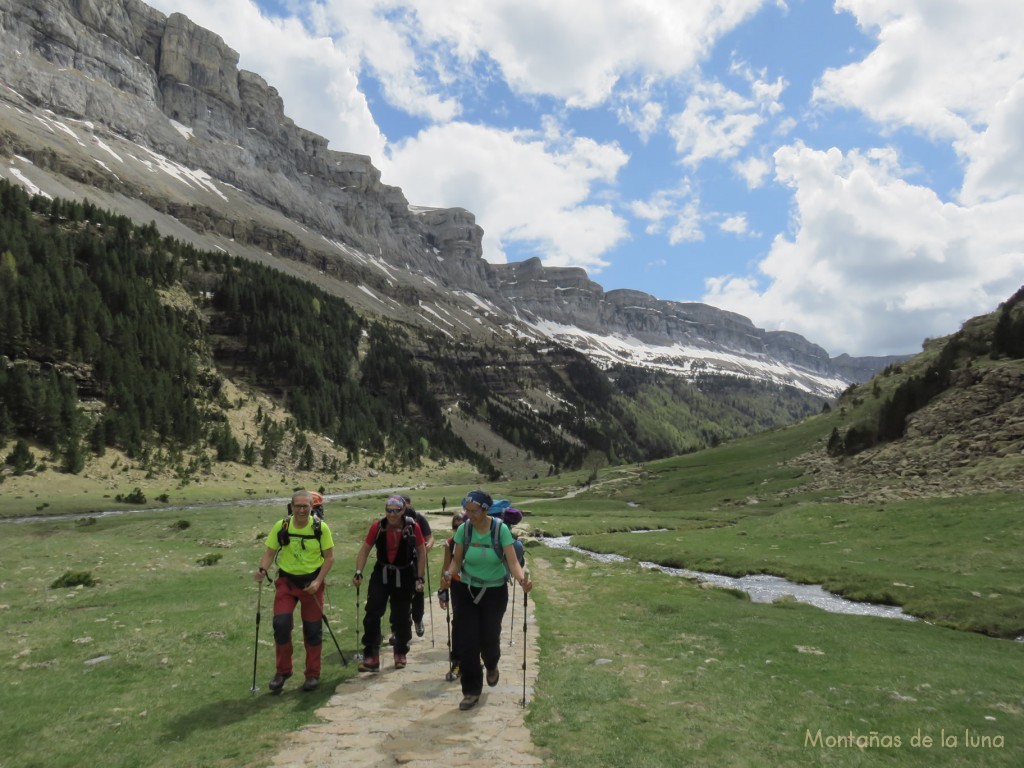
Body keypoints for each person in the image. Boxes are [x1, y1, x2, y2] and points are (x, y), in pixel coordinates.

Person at [439, 490, 532, 711]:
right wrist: (449, 574)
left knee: (489, 637)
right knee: (467, 641)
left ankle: (491, 664)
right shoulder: (464, 530)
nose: (468, 515)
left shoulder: (500, 530)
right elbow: (457, 560)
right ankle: (471, 691)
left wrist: (521, 580)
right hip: (467, 589)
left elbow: (512, 562)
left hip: (494, 591)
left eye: (473, 511)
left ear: (485, 509)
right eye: (467, 511)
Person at [253, 490, 335, 693]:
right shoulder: (281, 526)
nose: (301, 510)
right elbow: (270, 552)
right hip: (287, 582)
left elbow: (329, 558)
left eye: (305, 506)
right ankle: (283, 672)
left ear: (311, 507)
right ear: (291, 507)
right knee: (281, 624)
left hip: (311, 585)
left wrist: (318, 582)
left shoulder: (320, 528)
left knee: (313, 630)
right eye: (297, 506)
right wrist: (263, 569)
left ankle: (312, 675)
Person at [352, 495, 427, 671]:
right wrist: (358, 572)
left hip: (405, 573)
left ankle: (400, 652)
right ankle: (371, 656)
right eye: (388, 510)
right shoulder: (378, 527)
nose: (392, 514)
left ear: (403, 510)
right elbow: (364, 550)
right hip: (382, 573)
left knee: (401, 615)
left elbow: (422, 552)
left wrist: (419, 577)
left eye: (396, 511)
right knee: (372, 613)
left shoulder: (412, 526)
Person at [437, 512, 464, 679]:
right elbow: (446, 567)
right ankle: (457, 661)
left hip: (476, 585)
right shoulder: (450, 543)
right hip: (457, 585)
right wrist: (442, 591)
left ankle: (476, 655)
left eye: (461, 525)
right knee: (458, 622)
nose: (458, 529)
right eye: (455, 526)